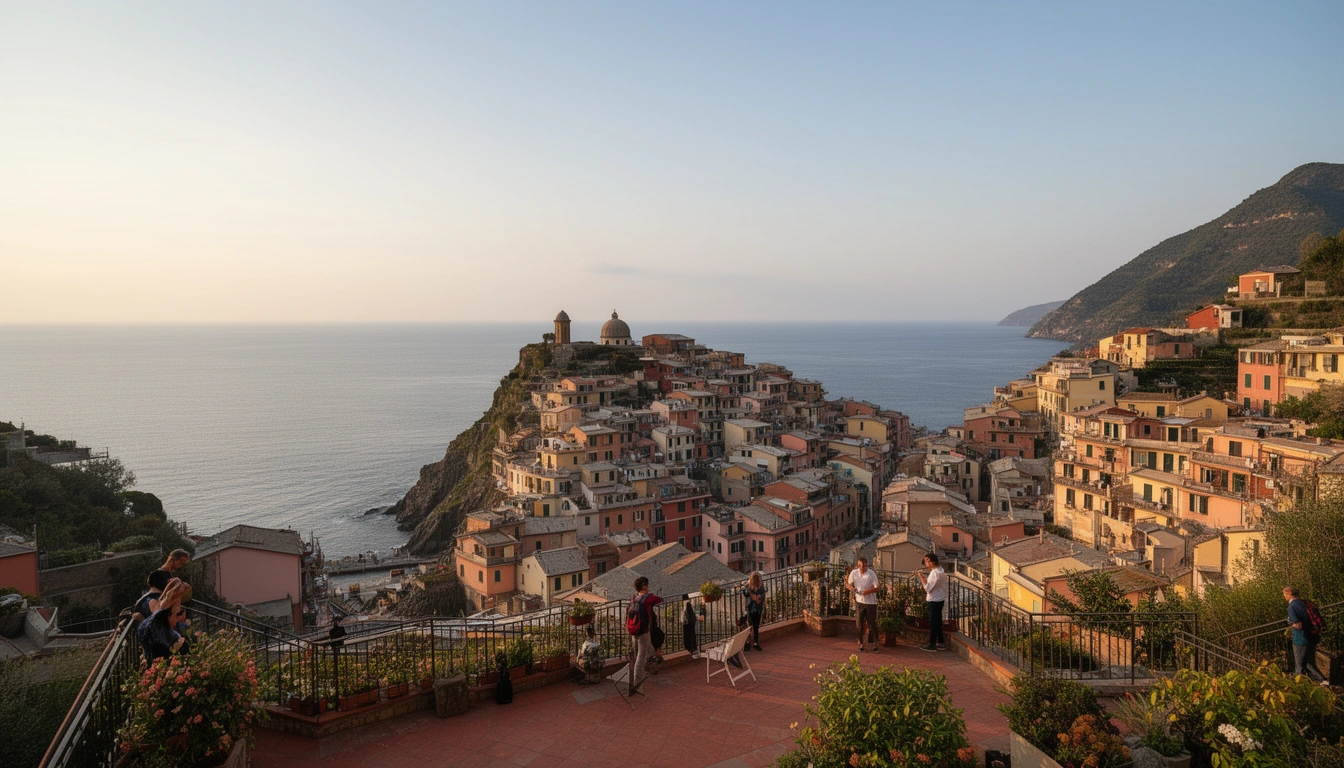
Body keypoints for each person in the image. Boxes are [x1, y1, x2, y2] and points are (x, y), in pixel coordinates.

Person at [626, 576, 663, 695]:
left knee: (639, 654)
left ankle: (636, 679)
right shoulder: (648, 598)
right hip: (643, 631)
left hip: (633, 631)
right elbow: (659, 599)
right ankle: (637, 684)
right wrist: (648, 593)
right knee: (640, 657)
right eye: (647, 584)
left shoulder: (633, 597)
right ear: (644, 586)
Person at [1284, 586, 1328, 684]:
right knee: (1309, 662)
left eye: (1284, 594)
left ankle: (1299, 685)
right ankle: (1322, 681)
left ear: (1289, 593)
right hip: (1312, 636)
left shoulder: (1292, 606)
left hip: (1301, 638)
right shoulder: (1304, 603)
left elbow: (1298, 625)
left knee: (1299, 664)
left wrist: (1290, 623)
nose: (1284, 596)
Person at [846, 556, 879, 653]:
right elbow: (848, 584)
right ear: (857, 565)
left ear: (866, 566)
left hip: (870, 602)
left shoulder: (871, 573)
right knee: (859, 623)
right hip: (859, 601)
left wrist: (866, 592)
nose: (862, 568)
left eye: (864, 566)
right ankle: (860, 643)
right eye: (860, 566)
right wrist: (852, 589)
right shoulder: (854, 573)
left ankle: (875, 643)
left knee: (872, 623)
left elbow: (877, 587)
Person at [917, 553, 948, 652]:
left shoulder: (936, 573)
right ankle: (941, 642)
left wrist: (921, 578)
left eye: (927, 560)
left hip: (934, 600)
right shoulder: (939, 570)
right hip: (938, 599)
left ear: (932, 562)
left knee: (933, 622)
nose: (926, 563)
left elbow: (928, 588)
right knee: (937, 622)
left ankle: (932, 644)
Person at [743, 571, 766, 652]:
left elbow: (763, 596)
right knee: (750, 626)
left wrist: (758, 598)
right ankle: (749, 643)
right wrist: (752, 596)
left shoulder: (761, 586)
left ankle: (755, 643)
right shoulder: (748, 586)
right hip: (750, 609)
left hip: (757, 608)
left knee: (755, 626)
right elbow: (745, 594)